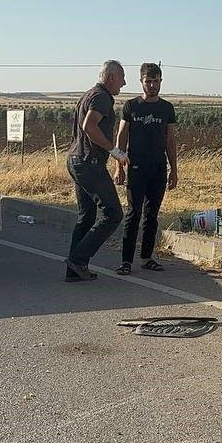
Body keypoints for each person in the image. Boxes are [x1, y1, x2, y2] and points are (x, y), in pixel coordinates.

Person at [64, 60, 128, 282]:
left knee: (87, 216)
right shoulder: (101, 98)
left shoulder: (88, 94)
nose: (124, 83)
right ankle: (78, 259)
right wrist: (114, 150)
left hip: (77, 160)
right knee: (113, 214)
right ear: (111, 77)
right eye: (121, 79)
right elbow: (89, 126)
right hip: (88, 163)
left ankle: (74, 270)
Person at [114, 63, 178, 275]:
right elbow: (121, 136)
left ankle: (146, 257)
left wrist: (174, 169)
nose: (152, 85)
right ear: (141, 82)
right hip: (136, 166)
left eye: (155, 81)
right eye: (148, 81)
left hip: (158, 167)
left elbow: (170, 140)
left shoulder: (167, 108)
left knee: (152, 214)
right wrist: (119, 166)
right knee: (133, 213)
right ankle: (126, 261)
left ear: (161, 81)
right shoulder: (132, 106)